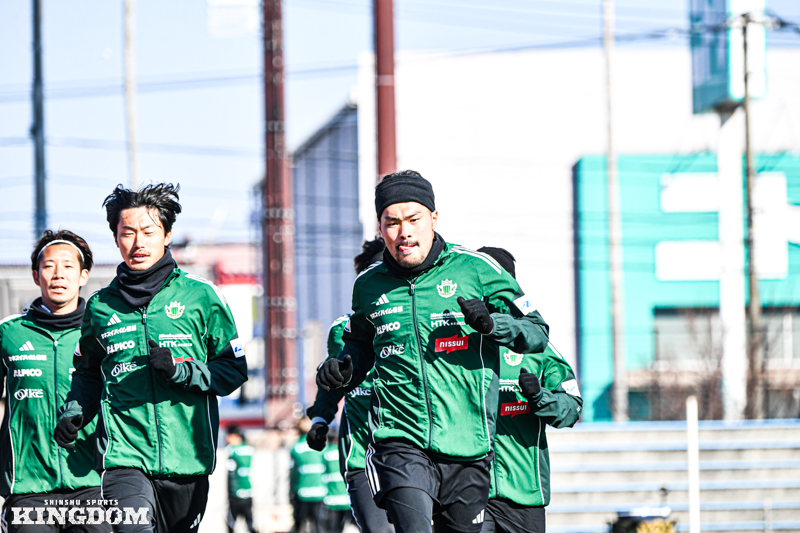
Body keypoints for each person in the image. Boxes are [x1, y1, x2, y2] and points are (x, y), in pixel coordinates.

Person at [316, 171, 550, 533]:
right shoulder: (368, 285)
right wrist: (343, 370)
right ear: (380, 228)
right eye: (392, 223)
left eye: (414, 219)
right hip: (399, 440)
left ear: (434, 218)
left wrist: (492, 325)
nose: (404, 232)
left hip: (467, 446)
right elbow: (359, 346)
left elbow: (537, 331)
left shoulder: (476, 269)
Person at [54, 183, 249, 533]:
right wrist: (74, 411)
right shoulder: (100, 307)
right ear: (116, 238)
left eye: (148, 232)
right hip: (123, 457)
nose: (138, 243)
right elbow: (87, 374)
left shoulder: (202, 297)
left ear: (167, 235)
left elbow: (233, 370)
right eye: (128, 233)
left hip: (187, 461)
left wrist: (182, 372)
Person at [0, 230, 104, 533]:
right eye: (49, 266)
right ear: (36, 276)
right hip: (28, 488)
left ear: (83, 276)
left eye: (68, 266)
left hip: (92, 485)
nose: (59, 274)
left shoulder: (103, 334)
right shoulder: (8, 333)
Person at [475, 247, 582, 533]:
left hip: (523, 494)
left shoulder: (538, 346)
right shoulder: (461, 342)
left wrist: (539, 398)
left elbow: (572, 408)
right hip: (469, 492)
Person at [306, 237, 394, 533]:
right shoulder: (341, 330)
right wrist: (320, 418)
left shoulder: (411, 321)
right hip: (360, 455)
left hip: (414, 452)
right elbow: (331, 382)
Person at [290, 418, 327, 533]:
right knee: (320, 528)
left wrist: (291, 492)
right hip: (320, 493)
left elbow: (292, 474)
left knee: (299, 527)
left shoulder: (295, 448)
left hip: (302, 493)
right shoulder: (322, 447)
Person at [226, 425, 258, 533]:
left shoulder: (231, 450)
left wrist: (230, 493)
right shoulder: (250, 449)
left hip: (236, 494)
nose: (227, 439)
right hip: (248, 492)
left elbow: (231, 475)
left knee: (231, 525)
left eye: (229, 436)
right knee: (250, 524)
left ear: (236, 436)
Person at [321, 430, 352, 533]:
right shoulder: (344, 451)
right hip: (347, 500)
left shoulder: (325, 453)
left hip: (332, 500)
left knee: (333, 529)